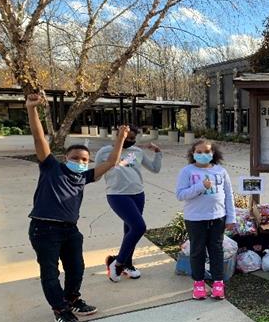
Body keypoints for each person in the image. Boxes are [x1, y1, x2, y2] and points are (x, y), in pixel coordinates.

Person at [25, 93, 128, 322]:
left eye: (85, 159)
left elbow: (112, 162)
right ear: (65, 158)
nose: (81, 162)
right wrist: (31, 109)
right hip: (44, 228)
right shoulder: (51, 168)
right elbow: (39, 138)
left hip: (70, 229)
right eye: (76, 158)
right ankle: (60, 310)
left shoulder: (83, 177)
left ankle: (72, 299)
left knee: (76, 268)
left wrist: (120, 138)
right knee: (50, 272)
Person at [95, 125, 163, 282]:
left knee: (130, 230)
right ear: (117, 135)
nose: (129, 141)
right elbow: (97, 175)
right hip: (117, 195)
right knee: (139, 227)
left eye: (132, 138)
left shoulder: (137, 152)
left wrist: (158, 153)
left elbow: (154, 168)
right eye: (126, 137)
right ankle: (117, 263)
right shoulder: (104, 152)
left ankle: (127, 263)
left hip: (138, 195)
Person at [175, 140, 235, 300]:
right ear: (193, 154)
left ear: (213, 153)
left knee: (216, 250)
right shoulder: (187, 171)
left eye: (207, 151)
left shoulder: (221, 171)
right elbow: (180, 194)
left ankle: (218, 284)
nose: (203, 155)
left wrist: (231, 217)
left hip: (217, 218)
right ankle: (199, 284)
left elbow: (229, 195)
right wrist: (200, 187)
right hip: (195, 218)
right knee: (197, 250)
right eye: (199, 152)